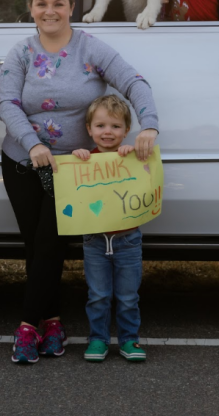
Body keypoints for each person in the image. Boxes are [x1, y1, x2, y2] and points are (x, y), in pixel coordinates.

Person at [0, 0, 160, 364]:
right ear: (32, 8)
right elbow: (7, 103)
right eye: (41, 4)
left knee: (51, 245)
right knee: (36, 248)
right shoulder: (21, 51)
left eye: (58, 3)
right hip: (23, 161)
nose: (49, 11)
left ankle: (26, 327)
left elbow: (135, 82)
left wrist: (149, 124)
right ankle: (51, 323)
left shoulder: (90, 47)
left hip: (73, 170)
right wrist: (34, 144)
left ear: (71, 7)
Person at [71, 95, 146, 362]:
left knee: (128, 297)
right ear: (89, 130)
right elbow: (73, 185)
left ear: (126, 131)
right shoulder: (84, 160)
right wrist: (77, 157)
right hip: (94, 241)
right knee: (98, 296)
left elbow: (146, 174)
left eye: (115, 126)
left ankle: (129, 340)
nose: (107, 132)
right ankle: (98, 340)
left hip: (128, 240)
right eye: (101, 126)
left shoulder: (130, 157)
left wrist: (132, 154)